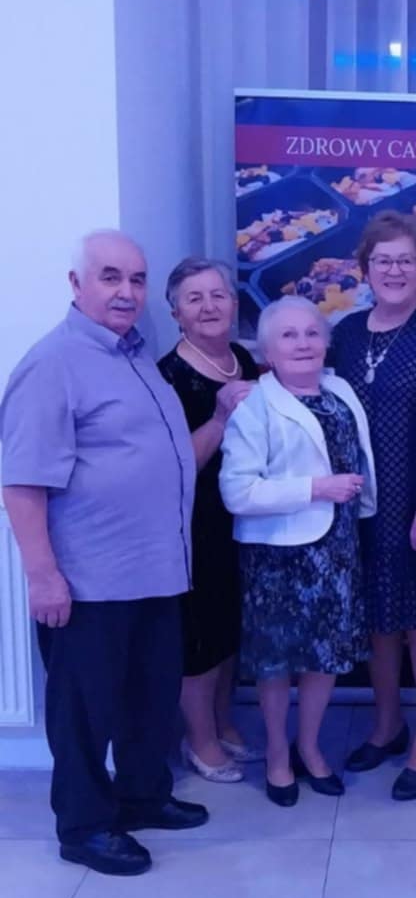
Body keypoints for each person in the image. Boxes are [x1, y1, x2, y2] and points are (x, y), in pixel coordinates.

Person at [0, 230, 208, 875]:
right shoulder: (54, 363)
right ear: (76, 284)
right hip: (89, 580)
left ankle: (142, 795)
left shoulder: (134, 354)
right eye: (110, 277)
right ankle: (84, 827)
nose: (126, 292)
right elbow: (21, 481)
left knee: (149, 698)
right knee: (84, 713)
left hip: (155, 571)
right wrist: (43, 577)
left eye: (137, 279)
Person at [330, 211, 416, 801]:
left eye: (404, 261)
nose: (393, 271)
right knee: (378, 620)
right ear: (365, 269)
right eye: (382, 261)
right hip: (358, 505)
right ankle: (387, 726)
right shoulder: (345, 333)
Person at [219, 297, 375, 807]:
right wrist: (316, 489)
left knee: (325, 657)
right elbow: (237, 492)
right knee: (276, 663)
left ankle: (309, 747)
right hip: (278, 557)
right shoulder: (255, 406)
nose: (303, 343)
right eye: (288, 335)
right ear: (267, 351)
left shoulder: (340, 390)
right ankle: (277, 756)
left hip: (337, 551)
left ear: (326, 342)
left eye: (311, 333)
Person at [159, 258, 259, 782]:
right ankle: (198, 740)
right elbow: (176, 468)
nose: (209, 306)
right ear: (176, 313)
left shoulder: (241, 358)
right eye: (194, 298)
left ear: (234, 303)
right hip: (195, 524)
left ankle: (223, 722)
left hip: (242, 517)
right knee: (200, 636)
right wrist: (219, 418)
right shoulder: (167, 377)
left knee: (230, 629)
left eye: (217, 295)